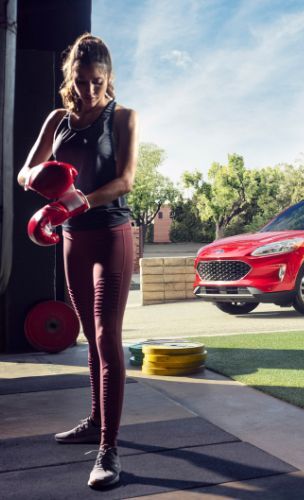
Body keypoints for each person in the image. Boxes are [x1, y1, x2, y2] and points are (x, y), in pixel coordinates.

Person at [17, 34, 138, 489]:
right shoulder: (58, 119)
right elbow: (25, 171)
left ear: (108, 78)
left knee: (108, 337)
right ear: (72, 76)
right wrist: (43, 179)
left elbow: (125, 180)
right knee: (89, 337)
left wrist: (78, 201)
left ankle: (108, 448)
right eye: (82, 80)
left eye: (98, 81)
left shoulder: (124, 117)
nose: (89, 90)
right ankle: (93, 421)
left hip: (110, 236)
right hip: (72, 237)